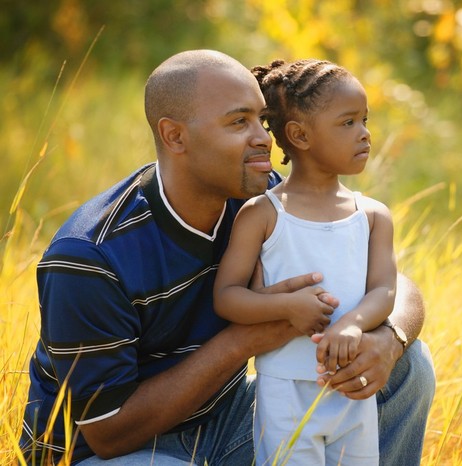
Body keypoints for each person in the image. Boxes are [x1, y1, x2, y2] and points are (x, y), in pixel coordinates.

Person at [20, 49, 435, 465]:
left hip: (227, 417)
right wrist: (246, 340)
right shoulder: (91, 256)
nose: (263, 138)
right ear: (175, 136)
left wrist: (389, 339)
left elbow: (393, 286)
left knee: (408, 367)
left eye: (261, 118)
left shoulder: (263, 199)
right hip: (117, 454)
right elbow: (110, 433)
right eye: (239, 122)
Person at [213, 58, 395, 465]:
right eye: (348, 123)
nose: (365, 134)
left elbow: (384, 289)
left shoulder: (372, 215)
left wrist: (352, 323)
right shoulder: (263, 214)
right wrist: (286, 307)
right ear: (299, 135)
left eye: (365, 120)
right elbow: (226, 297)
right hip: (284, 393)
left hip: (351, 389)